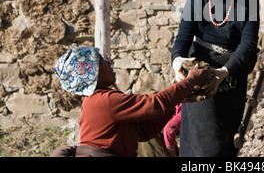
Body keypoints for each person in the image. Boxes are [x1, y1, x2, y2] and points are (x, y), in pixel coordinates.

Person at [171, 0, 260, 157]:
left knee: (225, 140)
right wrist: (177, 63)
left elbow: (248, 43)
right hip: (201, 74)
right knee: (203, 143)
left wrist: (224, 72)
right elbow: (182, 40)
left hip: (232, 74)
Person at [50, 46, 210, 157]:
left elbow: (142, 132)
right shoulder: (103, 101)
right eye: (102, 62)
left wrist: (178, 99)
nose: (108, 63)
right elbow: (155, 103)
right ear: (94, 73)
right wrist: (188, 82)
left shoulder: (98, 99)